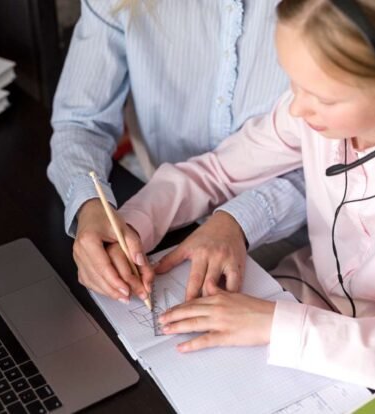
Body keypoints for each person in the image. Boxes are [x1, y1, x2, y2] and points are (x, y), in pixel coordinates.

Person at [113, 0, 375, 388]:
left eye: (324, 97)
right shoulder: (304, 114)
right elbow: (219, 170)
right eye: (293, 83)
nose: (298, 108)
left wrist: (274, 324)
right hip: (302, 292)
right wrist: (132, 226)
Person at [47, 0, 307, 304]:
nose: (302, 105)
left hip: (302, 237)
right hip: (168, 217)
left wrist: (237, 220)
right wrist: (98, 209)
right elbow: (80, 122)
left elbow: (329, 160)